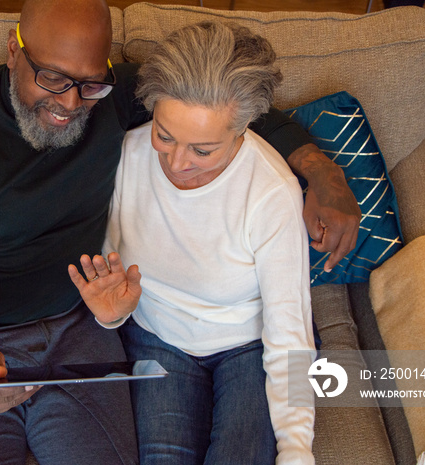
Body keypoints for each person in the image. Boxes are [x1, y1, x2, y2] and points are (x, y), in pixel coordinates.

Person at [0, 0, 355, 463]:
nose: (71, 104)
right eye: (51, 77)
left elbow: (232, 105)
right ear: (13, 49)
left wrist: (320, 171)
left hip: (76, 327)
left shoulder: (112, 99)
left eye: (89, 83)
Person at [68, 21, 316, 465]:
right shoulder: (128, 154)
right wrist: (112, 315)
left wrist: (297, 449)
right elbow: (110, 267)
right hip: (157, 339)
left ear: (242, 130)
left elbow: (290, 332)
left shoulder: (271, 192)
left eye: (202, 150)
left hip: (249, 345)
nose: (178, 162)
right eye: (164, 135)